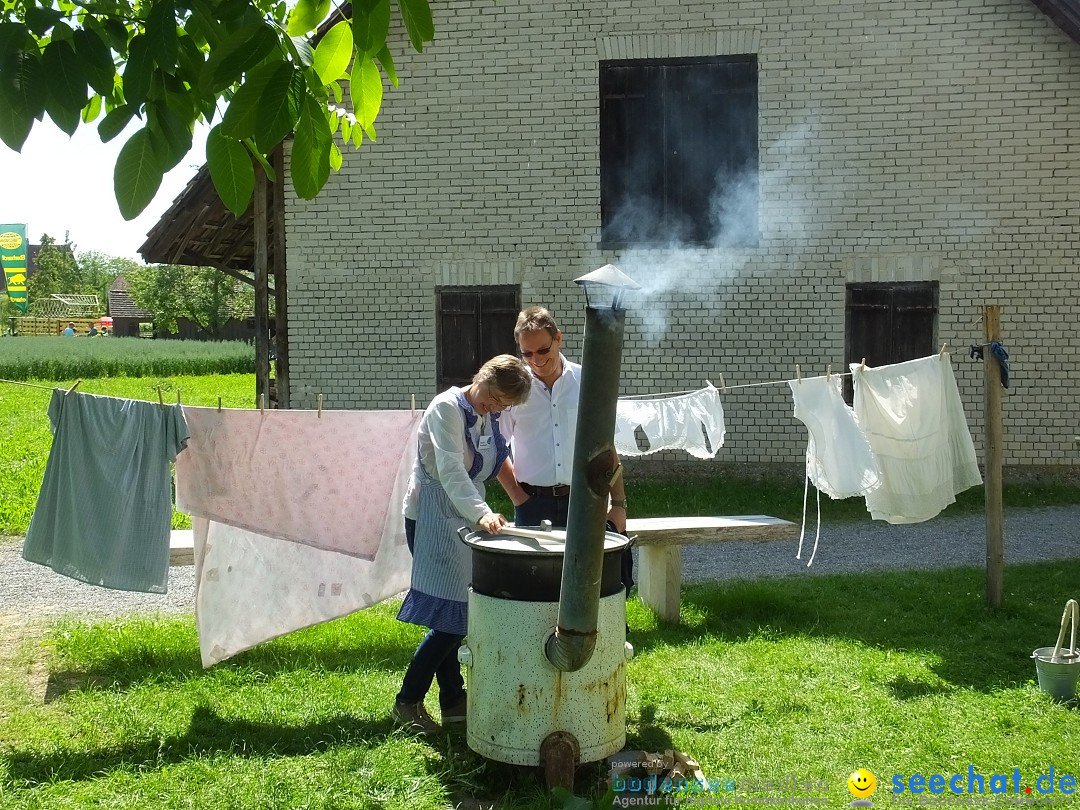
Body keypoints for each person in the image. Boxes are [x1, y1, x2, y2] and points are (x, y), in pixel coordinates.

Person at [394, 353, 533, 735]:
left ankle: (454, 702)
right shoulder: (445, 409)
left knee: (455, 613)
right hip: (431, 517)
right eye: (494, 397)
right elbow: (452, 470)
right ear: (482, 377)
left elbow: (493, 461)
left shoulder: (487, 415)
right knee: (452, 619)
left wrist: (517, 500)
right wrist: (482, 514)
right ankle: (407, 701)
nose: (495, 407)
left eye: (504, 405)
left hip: (463, 515)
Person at [497, 306, 632, 590]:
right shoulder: (513, 389)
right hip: (532, 503)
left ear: (559, 338)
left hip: (586, 499)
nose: (536, 360)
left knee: (598, 583)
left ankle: (610, 635)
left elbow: (607, 447)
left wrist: (618, 504)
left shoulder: (589, 381)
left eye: (543, 350)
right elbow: (497, 448)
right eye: (527, 353)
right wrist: (518, 497)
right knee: (536, 587)